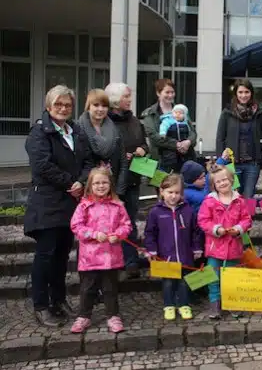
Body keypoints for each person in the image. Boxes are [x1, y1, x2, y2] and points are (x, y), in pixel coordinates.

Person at [25, 85, 94, 327]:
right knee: (45, 256)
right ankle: (41, 305)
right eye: (58, 104)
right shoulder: (39, 133)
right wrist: (70, 182)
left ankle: (59, 299)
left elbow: (88, 160)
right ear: (48, 106)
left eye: (67, 105)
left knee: (62, 256)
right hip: (47, 203)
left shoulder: (75, 130)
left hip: (70, 204)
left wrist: (82, 181)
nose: (63, 109)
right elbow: (42, 165)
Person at [69, 167, 132, 334]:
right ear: (90, 186)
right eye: (96, 183)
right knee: (87, 288)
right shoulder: (84, 206)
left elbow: (126, 225)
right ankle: (84, 316)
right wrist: (94, 234)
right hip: (89, 258)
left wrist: (118, 235)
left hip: (111, 257)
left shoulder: (118, 206)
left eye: (104, 182)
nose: (101, 186)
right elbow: (76, 226)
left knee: (110, 288)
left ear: (110, 184)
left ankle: (112, 315)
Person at [144, 174, 202, 321]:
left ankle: (184, 304)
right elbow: (149, 233)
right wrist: (151, 250)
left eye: (177, 193)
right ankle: (169, 305)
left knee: (184, 281)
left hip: (185, 254)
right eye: (170, 192)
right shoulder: (155, 212)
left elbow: (195, 231)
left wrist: (196, 248)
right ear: (162, 192)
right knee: (168, 282)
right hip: (165, 255)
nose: (173, 196)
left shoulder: (188, 210)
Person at [106, 82, 149, 278]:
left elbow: (144, 143)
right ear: (115, 100)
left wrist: (142, 150)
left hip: (132, 177)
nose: (129, 101)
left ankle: (131, 261)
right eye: (126, 97)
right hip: (112, 181)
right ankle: (114, 261)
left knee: (129, 220)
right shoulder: (106, 121)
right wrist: (122, 155)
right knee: (112, 222)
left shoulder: (134, 121)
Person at [197, 166, 252, 319]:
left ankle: (233, 304)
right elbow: (203, 220)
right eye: (218, 181)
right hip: (215, 248)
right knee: (213, 279)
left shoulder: (239, 201)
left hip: (234, 248)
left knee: (232, 278)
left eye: (225, 180)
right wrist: (216, 229)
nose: (222, 183)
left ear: (231, 180)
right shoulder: (209, 202)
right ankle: (215, 306)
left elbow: (247, 219)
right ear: (214, 185)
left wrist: (239, 228)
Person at [216, 79, 262, 198]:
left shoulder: (258, 113)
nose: (244, 95)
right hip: (231, 165)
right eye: (240, 92)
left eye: (247, 92)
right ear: (236, 94)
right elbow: (220, 138)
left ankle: (247, 217)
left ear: (251, 93)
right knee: (232, 198)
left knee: (248, 198)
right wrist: (221, 161)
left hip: (252, 165)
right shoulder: (227, 113)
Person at [78, 89, 128, 196]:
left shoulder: (115, 130)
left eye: (104, 106)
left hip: (111, 189)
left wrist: (118, 192)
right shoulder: (78, 129)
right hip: (86, 191)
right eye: (96, 105)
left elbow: (123, 162)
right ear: (88, 106)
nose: (100, 109)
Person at [141, 78, 197, 172]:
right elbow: (154, 137)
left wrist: (188, 142)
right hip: (161, 163)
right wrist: (177, 144)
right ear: (158, 93)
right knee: (163, 186)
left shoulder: (181, 110)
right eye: (167, 92)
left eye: (172, 92)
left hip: (185, 161)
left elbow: (192, 132)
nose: (170, 95)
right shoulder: (150, 113)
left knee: (184, 186)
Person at [158, 104, 196, 173]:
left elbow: (192, 133)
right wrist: (163, 133)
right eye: (176, 112)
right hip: (170, 150)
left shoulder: (186, 123)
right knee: (168, 168)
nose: (177, 114)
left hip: (184, 151)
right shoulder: (168, 120)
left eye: (180, 113)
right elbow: (164, 126)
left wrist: (188, 141)